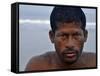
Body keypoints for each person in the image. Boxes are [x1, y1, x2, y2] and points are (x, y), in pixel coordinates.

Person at [25, 6, 96, 71]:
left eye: (76, 35)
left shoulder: (94, 62)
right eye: (63, 36)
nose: (70, 44)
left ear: (85, 35)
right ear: (52, 36)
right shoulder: (37, 66)